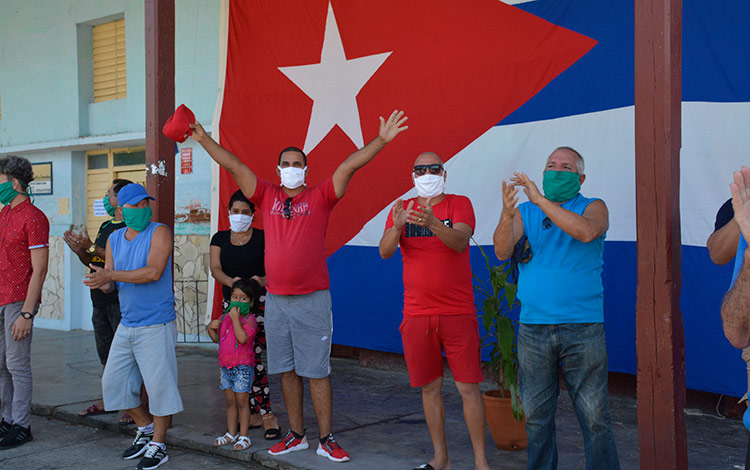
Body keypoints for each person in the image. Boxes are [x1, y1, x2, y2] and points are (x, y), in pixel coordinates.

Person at [190, 109, 408, 463]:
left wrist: (381, 140)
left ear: (305, 169)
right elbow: (234, 165)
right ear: (278, 170)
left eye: (297, 163)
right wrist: (202, 139)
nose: (292, 168)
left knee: (317, 372)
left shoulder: (321, 195)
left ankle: (327, 438)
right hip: (276, 301)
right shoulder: (266, 195)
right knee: (286, 371)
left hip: (312, 300)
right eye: (286, 163)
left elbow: (349, 166)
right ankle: (296, 435)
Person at [492, 147, 619, 470]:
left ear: (581, 178)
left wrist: (540, 200)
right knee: (536, 419)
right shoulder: (527, 212)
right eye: (551, 165)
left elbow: (587, 231)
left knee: (594, 418)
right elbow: (502, 251)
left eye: (565, 167)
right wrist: (507, 215)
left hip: (583, 328)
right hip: (534, 329)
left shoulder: (594, 206)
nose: (556, 171)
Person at [379, 152, 490, 470]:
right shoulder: (402, 208)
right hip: (416, 314)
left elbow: (461, 240)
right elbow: (385, 252)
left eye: (433, 168)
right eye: (420, 169)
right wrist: (396, 227)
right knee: (430, 387)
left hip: (457, 311)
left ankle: (481, 463)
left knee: (468, 387)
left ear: (444, 172)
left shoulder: (459, 202)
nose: (427, 173)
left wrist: (431, 223)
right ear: (412, 174)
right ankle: (441, 458)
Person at [83, 183, 181, 470]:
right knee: (114, 384)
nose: (142, 209)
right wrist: (99, 279)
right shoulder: (114, 238)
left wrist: (110, 274)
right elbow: (111, 285)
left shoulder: (159, 231)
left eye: (144, 204)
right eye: (135, 205)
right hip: (128, 322)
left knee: (159, 387)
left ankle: (159, 446)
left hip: (156, 322)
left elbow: (153, 272)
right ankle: (146, 428)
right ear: (121, 209)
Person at [209, 190, 280, 440]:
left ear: (253, 214)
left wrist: (260, 280)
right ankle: (249, 413)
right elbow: (215, 268)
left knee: (254, 358)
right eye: (235, 212)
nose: (239, 216)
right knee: (236, 358)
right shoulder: (219, 238)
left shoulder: (262, 237)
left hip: (258, 305)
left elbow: (276, 265)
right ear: (228, 212)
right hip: (232, 304)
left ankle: (267, 413)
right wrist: (233, 283)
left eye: (245, 212)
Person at [63, 178, 131, 422]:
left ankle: (132, 405)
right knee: (106, 354)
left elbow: (120, 259)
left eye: (109, 193)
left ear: (121, 198)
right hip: (98, 301)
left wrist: (90, 247)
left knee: (126, 354)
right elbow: (94, 262)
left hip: (118, 300)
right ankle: (109, 399)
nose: (106, 197)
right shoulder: (105, 226)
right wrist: (80, 250)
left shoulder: (129, 228)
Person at [0, 155, 49, 450]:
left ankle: (21, 425)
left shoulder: (34, 217)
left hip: (19, 300)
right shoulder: (4, 213)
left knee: (17, 364)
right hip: (0, 297)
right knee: (1, 365)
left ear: (14, 183)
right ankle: (6, 419)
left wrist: (27, 313)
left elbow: (40, 268)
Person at [207, 278, 260, 452]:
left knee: (243, 401)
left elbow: (242, 338)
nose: (237, 302)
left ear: (251, 302)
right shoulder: (226, 317)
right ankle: (231, 433)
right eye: (234, 298)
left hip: (242, 366)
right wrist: (210, 328)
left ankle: (244, 436)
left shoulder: (250, 319)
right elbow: (218, 340)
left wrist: (236, 319)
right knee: (230, 401)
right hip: (226, 366)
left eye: (243, 298)